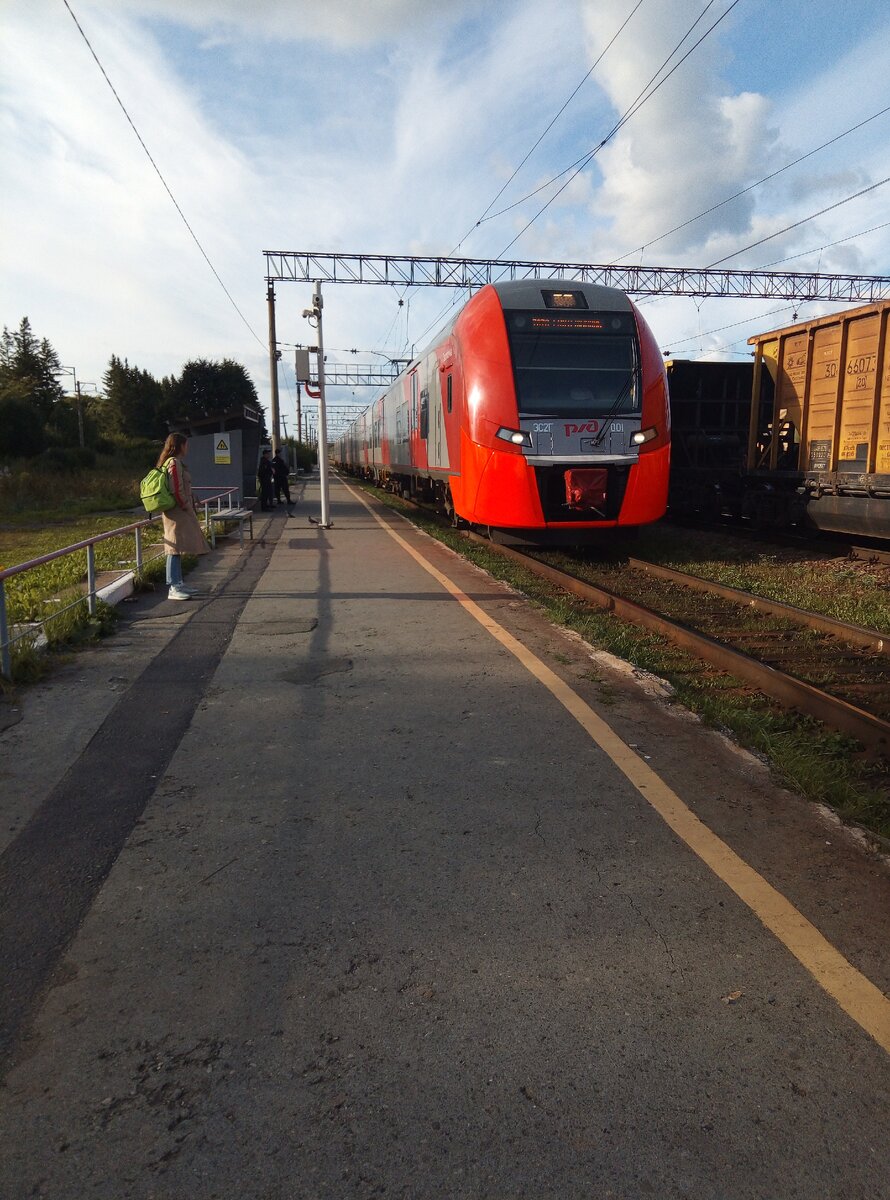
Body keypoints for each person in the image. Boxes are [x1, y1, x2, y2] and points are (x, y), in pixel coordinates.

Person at [157, 432, 210, 601]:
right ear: (180, 445)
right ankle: (174, 586)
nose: (187, 448)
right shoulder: (174, 463)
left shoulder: (171, 462)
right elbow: (177, 489)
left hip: (177, 510)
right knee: (173, 548)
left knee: (177, 547)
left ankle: (178, 583)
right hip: (177, 512)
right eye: (186, 445)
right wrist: (187, 506)